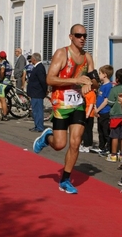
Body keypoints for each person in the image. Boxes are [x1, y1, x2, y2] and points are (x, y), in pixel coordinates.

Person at [33, 24, 99, 194]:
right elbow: (50, 79)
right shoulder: (62, 54)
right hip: (61, 103)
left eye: (84, 35)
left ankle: (65, 180)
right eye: (78, 35)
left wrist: (90, 84)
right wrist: (76, 81)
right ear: (71, 37)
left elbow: (95, 81)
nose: (82, 38)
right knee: (60, 144)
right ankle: (48, 138)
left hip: (78, 104)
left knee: (76, 142)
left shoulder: (88, 58)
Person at [106, 68, 122, 163]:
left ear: (117, 79)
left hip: (115, 114)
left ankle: (113, 155)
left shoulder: (114, 89)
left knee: (114, 135)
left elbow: (110, 102)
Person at [93, 65, 114, 155]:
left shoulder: (109, 86)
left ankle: (109, 148)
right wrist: (95, 108)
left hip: (105, 112)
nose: (99, 75)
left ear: (105, 74)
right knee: (100, 131)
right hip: (99, 111)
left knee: (106, 131)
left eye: (100, 73)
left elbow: (106, 100)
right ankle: (101, 147)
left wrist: (98, 109)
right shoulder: (101, 86)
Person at [27, 52, 47, 132]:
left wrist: (45, 90)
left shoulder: (39, 67)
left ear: (34, 59)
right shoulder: (36, 67)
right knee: (35, 111)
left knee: (38, 111)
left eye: (31, 58)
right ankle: (36, 125)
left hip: (37, 93)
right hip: (35, 93)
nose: (31, 60)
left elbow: (42, 81)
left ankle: (39, 127)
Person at [0, 51, 13, 121]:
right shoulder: (9, 63)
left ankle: (5, 114)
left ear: (0, 57)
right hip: (9, 82)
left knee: (3, 100)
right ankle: (2, 113)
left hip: (3, 84)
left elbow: (2, 71)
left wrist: (1, 78)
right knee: (1, 98)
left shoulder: (3, 63)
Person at [79, 89, 96, 153]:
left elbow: (91, 104)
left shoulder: (92, 93)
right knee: (87, 130)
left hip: (88, 114)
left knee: (86, 130)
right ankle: (88, 144)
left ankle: (86, 145)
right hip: (85, 112)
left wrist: (87, 114)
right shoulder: (85, 92)